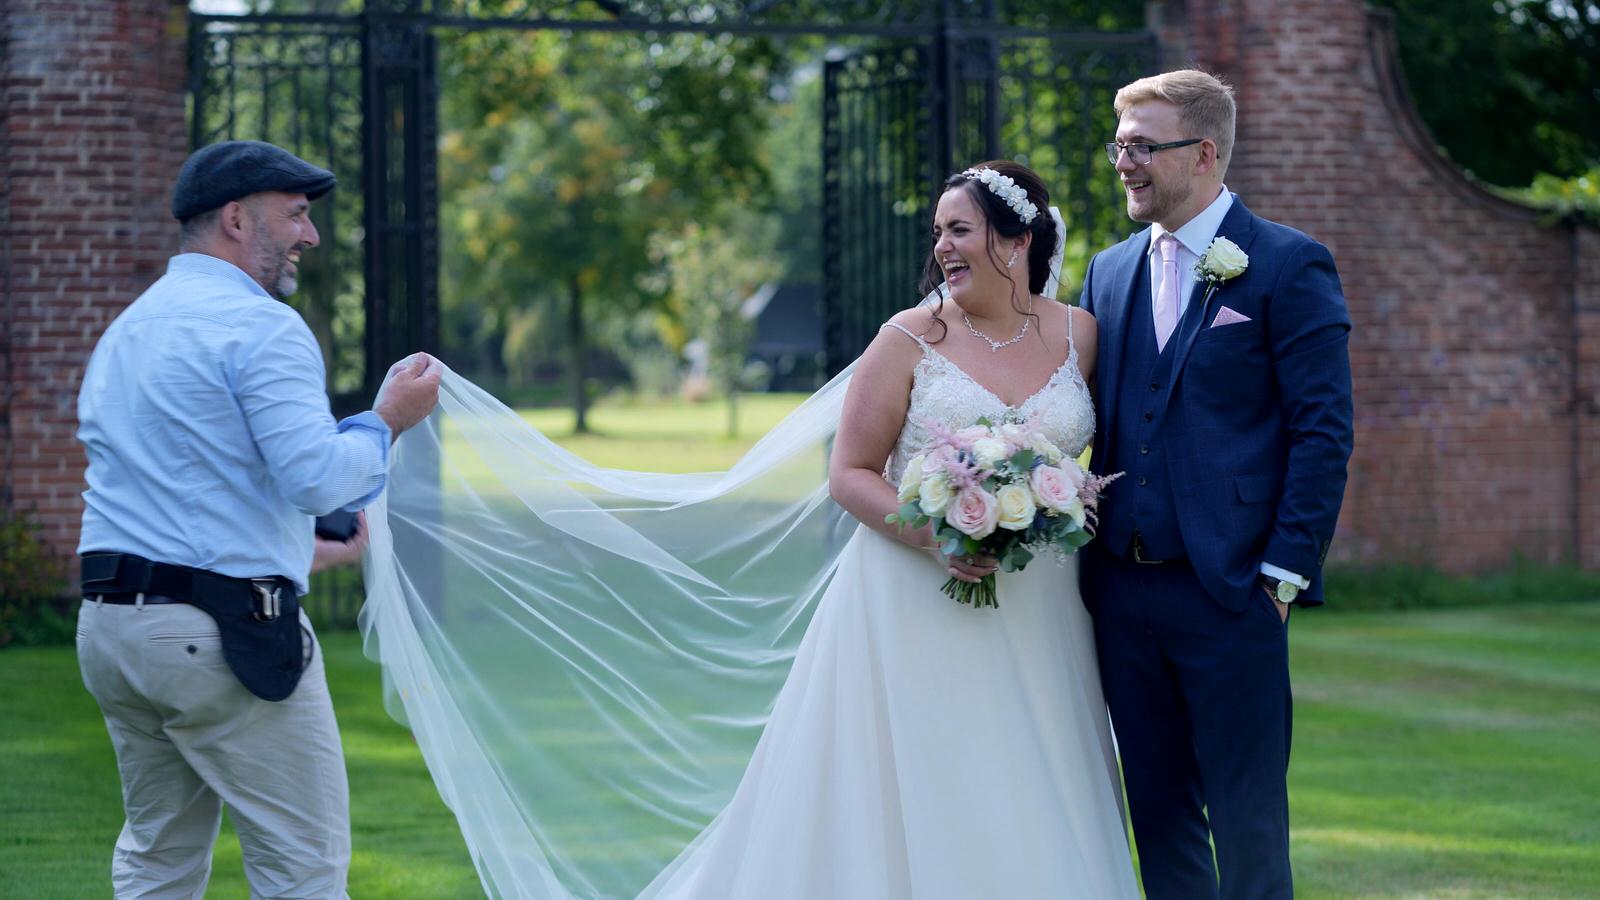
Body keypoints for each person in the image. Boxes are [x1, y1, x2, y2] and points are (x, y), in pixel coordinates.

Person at [355, 162, 1138, 898]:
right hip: (914, 592)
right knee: (929, 771)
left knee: (1033, 769)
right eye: (938, 231)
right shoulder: (910, 338)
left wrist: (1046, 502)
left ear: (1018, 240)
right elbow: (850, 473)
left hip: (1041, 604)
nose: (941, 247)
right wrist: (936, 536)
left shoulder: (1081, 334)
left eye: (959, 230)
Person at [74, 140, 442, 899]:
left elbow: (182, 503)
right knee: (303, 868)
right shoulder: (262, 327)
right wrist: (386, 419)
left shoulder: (128, 331)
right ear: (237, 219)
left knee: (157, 859)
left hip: (114, 632)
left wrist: (300, 555)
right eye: (298, 216)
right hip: (223, 639)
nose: (310, 236)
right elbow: (317, 478)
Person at [1077, 69, 1355, 899]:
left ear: (1203, 153)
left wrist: (1280, 576)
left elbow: (1323, 431)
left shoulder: (1288, 264)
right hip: (1122, 596)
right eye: (1117, 144)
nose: (1122, 162)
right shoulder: (1108, 272)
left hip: (1233, 592)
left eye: (1140, 146)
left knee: (1249, 826)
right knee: (1159, 825)